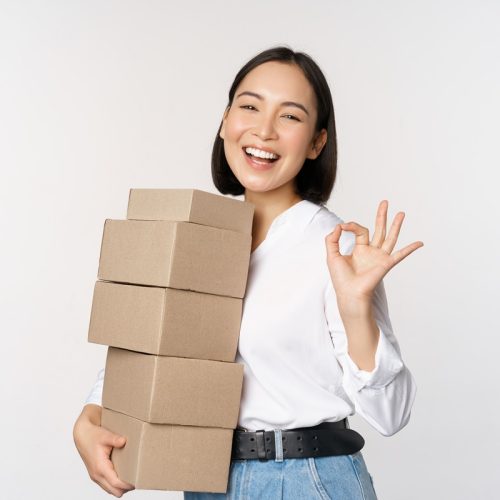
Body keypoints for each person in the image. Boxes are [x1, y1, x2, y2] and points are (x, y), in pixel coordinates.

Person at [73, 46, 423, 499]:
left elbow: (390, 416)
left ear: (317, 142)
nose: (264, 130)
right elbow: (155, 348)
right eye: (250, 106)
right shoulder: (201, 236)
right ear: (225, 121)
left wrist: (356, 309)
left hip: (306, 480)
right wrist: (92, 415)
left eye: (290, 117)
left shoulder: (337, 250)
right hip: (205, 478)